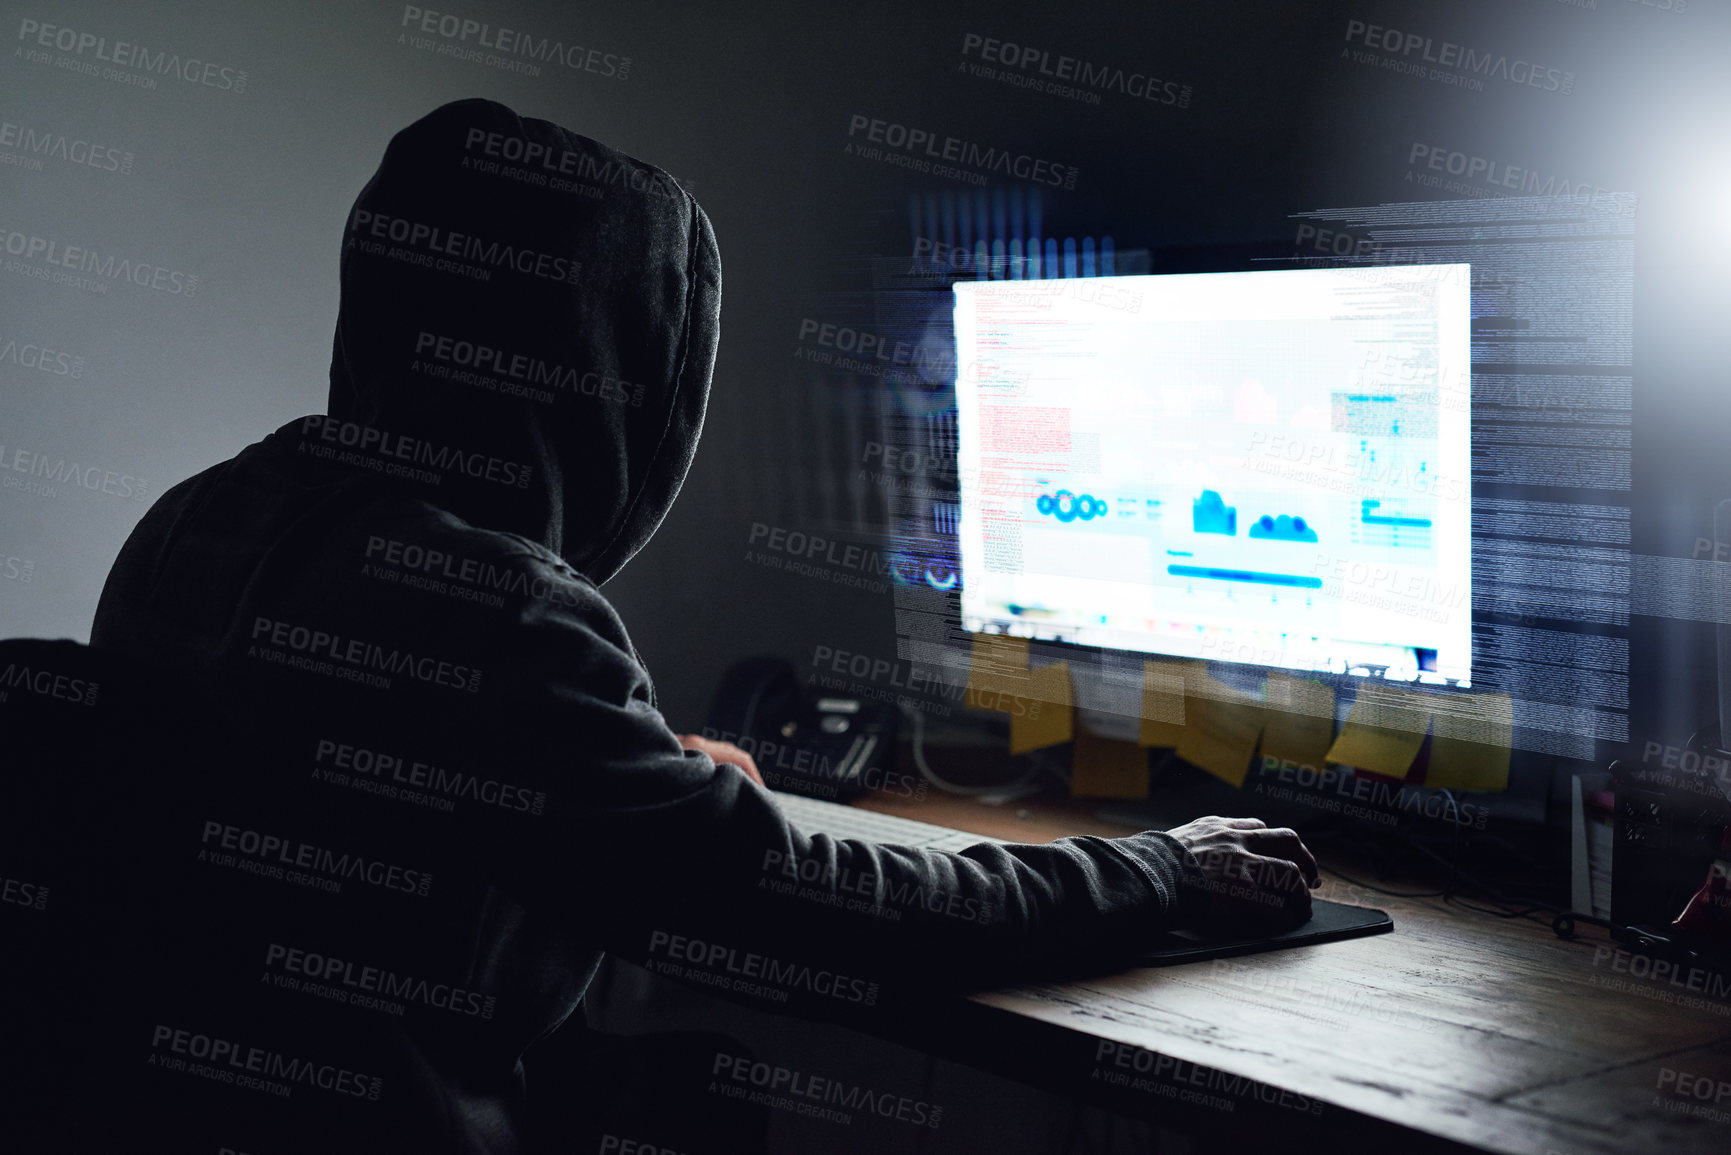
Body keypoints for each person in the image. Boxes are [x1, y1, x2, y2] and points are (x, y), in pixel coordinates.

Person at [87, 97, 1319, 1153]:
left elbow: (390, 784)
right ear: (615, 376)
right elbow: (795, 904)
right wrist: (1153, 866)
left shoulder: (194, 521)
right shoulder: (503, 616)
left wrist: (647, 786)